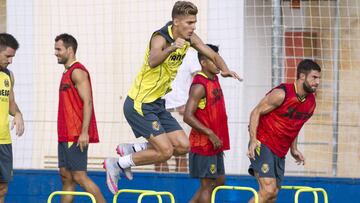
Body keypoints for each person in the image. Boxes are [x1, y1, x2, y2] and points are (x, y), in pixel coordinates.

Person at [103, 1, 240, 195]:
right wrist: (172, 48)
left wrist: (225, 70)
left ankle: (133, 148)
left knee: (184, 146)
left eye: (195, 22)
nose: (193, 27)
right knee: (165, 151)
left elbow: (209, 52)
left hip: (157, 104)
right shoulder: (161, 37)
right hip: (139, 104)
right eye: (189, 23)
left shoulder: (190, 38)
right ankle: (117, 163)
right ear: (176, 21)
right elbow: (152, 60)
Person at [247, 59, 321, 203]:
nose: (317, 82)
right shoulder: (282, 93)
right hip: (263, 143)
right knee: (267, 190)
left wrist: (294, 149)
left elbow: (295, 125)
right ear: (301, 76)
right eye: (314, 77)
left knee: (272, 195)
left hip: (280, 151)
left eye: (319, 78)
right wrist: (253, 140)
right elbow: (255, 112)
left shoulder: (311, 103)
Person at [55, 33, 106, 203]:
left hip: (75, 133)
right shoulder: (66, 72)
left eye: (58, 49)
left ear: (70, 50)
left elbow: (88, 102)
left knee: (79, 176)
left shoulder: (77, 71)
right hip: (64, 133)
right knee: (66, 176)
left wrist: (84, 132)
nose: (55, 52)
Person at [183, 44, 230, 203]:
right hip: (203, 142)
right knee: (207, 185)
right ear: (203, 62)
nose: (218, 63)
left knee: (219, 180)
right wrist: (210, 133)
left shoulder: (214, 78)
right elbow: (188, 116)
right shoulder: (199, 85)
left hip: (215, 142)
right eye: (213, 60)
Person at [156, 48, 201, 172]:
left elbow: (198, 80)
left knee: (181, 153)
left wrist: (191, 104)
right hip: (158, 109)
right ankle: (161, 189)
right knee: (159, 153)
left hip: (180, 110)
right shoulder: (160, 53)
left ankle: (178, 189)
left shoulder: (190, 55)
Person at [0, 33, 25, 203]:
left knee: (2, 188)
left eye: (12, 57)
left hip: (4, 141)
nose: (10, 61)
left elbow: (11, 103)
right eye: (7, 56)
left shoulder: (8, 75)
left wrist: (18, 114)